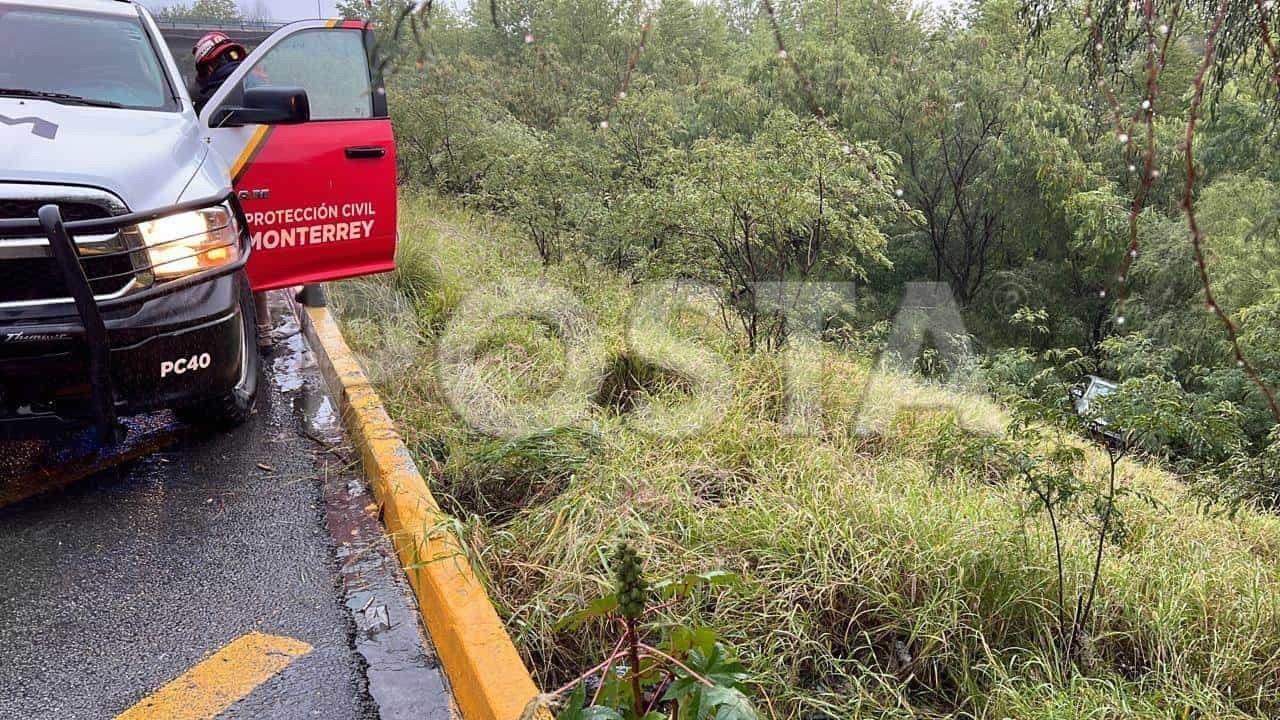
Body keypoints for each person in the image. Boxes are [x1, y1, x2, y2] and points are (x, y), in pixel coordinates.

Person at [191, 31, 248, 114]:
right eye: (225, 57)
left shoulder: (205, 104)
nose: (233, 63)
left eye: (233, 55)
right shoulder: (253, 84)